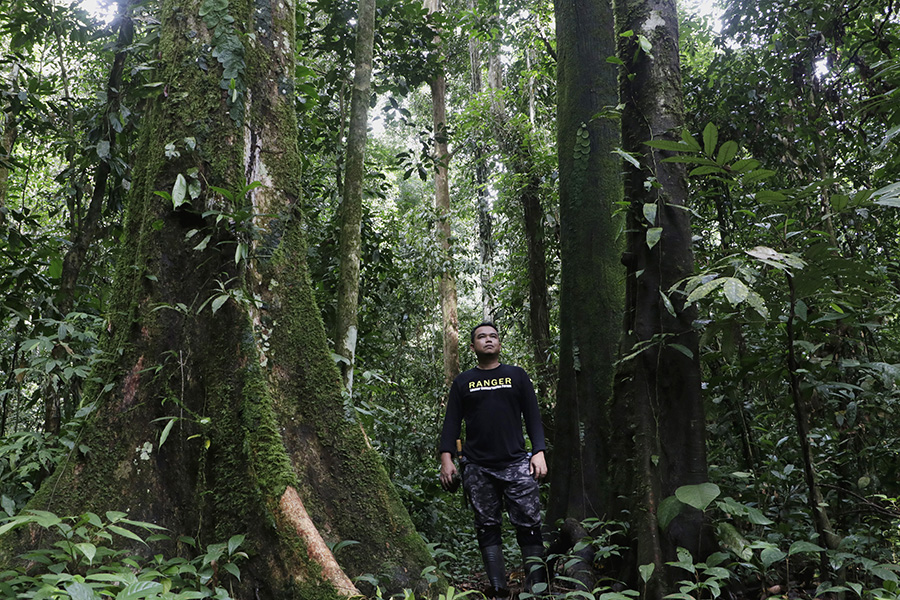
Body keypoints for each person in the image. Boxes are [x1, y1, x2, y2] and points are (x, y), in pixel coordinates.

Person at [439, 322, 548, 597]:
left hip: (516, 463)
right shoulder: (463, 382)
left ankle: (535, 589)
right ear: (472, 346)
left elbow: (533, 416)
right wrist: (446, 459)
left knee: (529, 523)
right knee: (487, 525)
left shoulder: (517, 376)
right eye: (481, 337)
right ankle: (499, 589)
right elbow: (451, 423)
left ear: (499, 343)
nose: (488, 340)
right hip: (478, 466)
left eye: (493, 336)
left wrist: (539, 451)